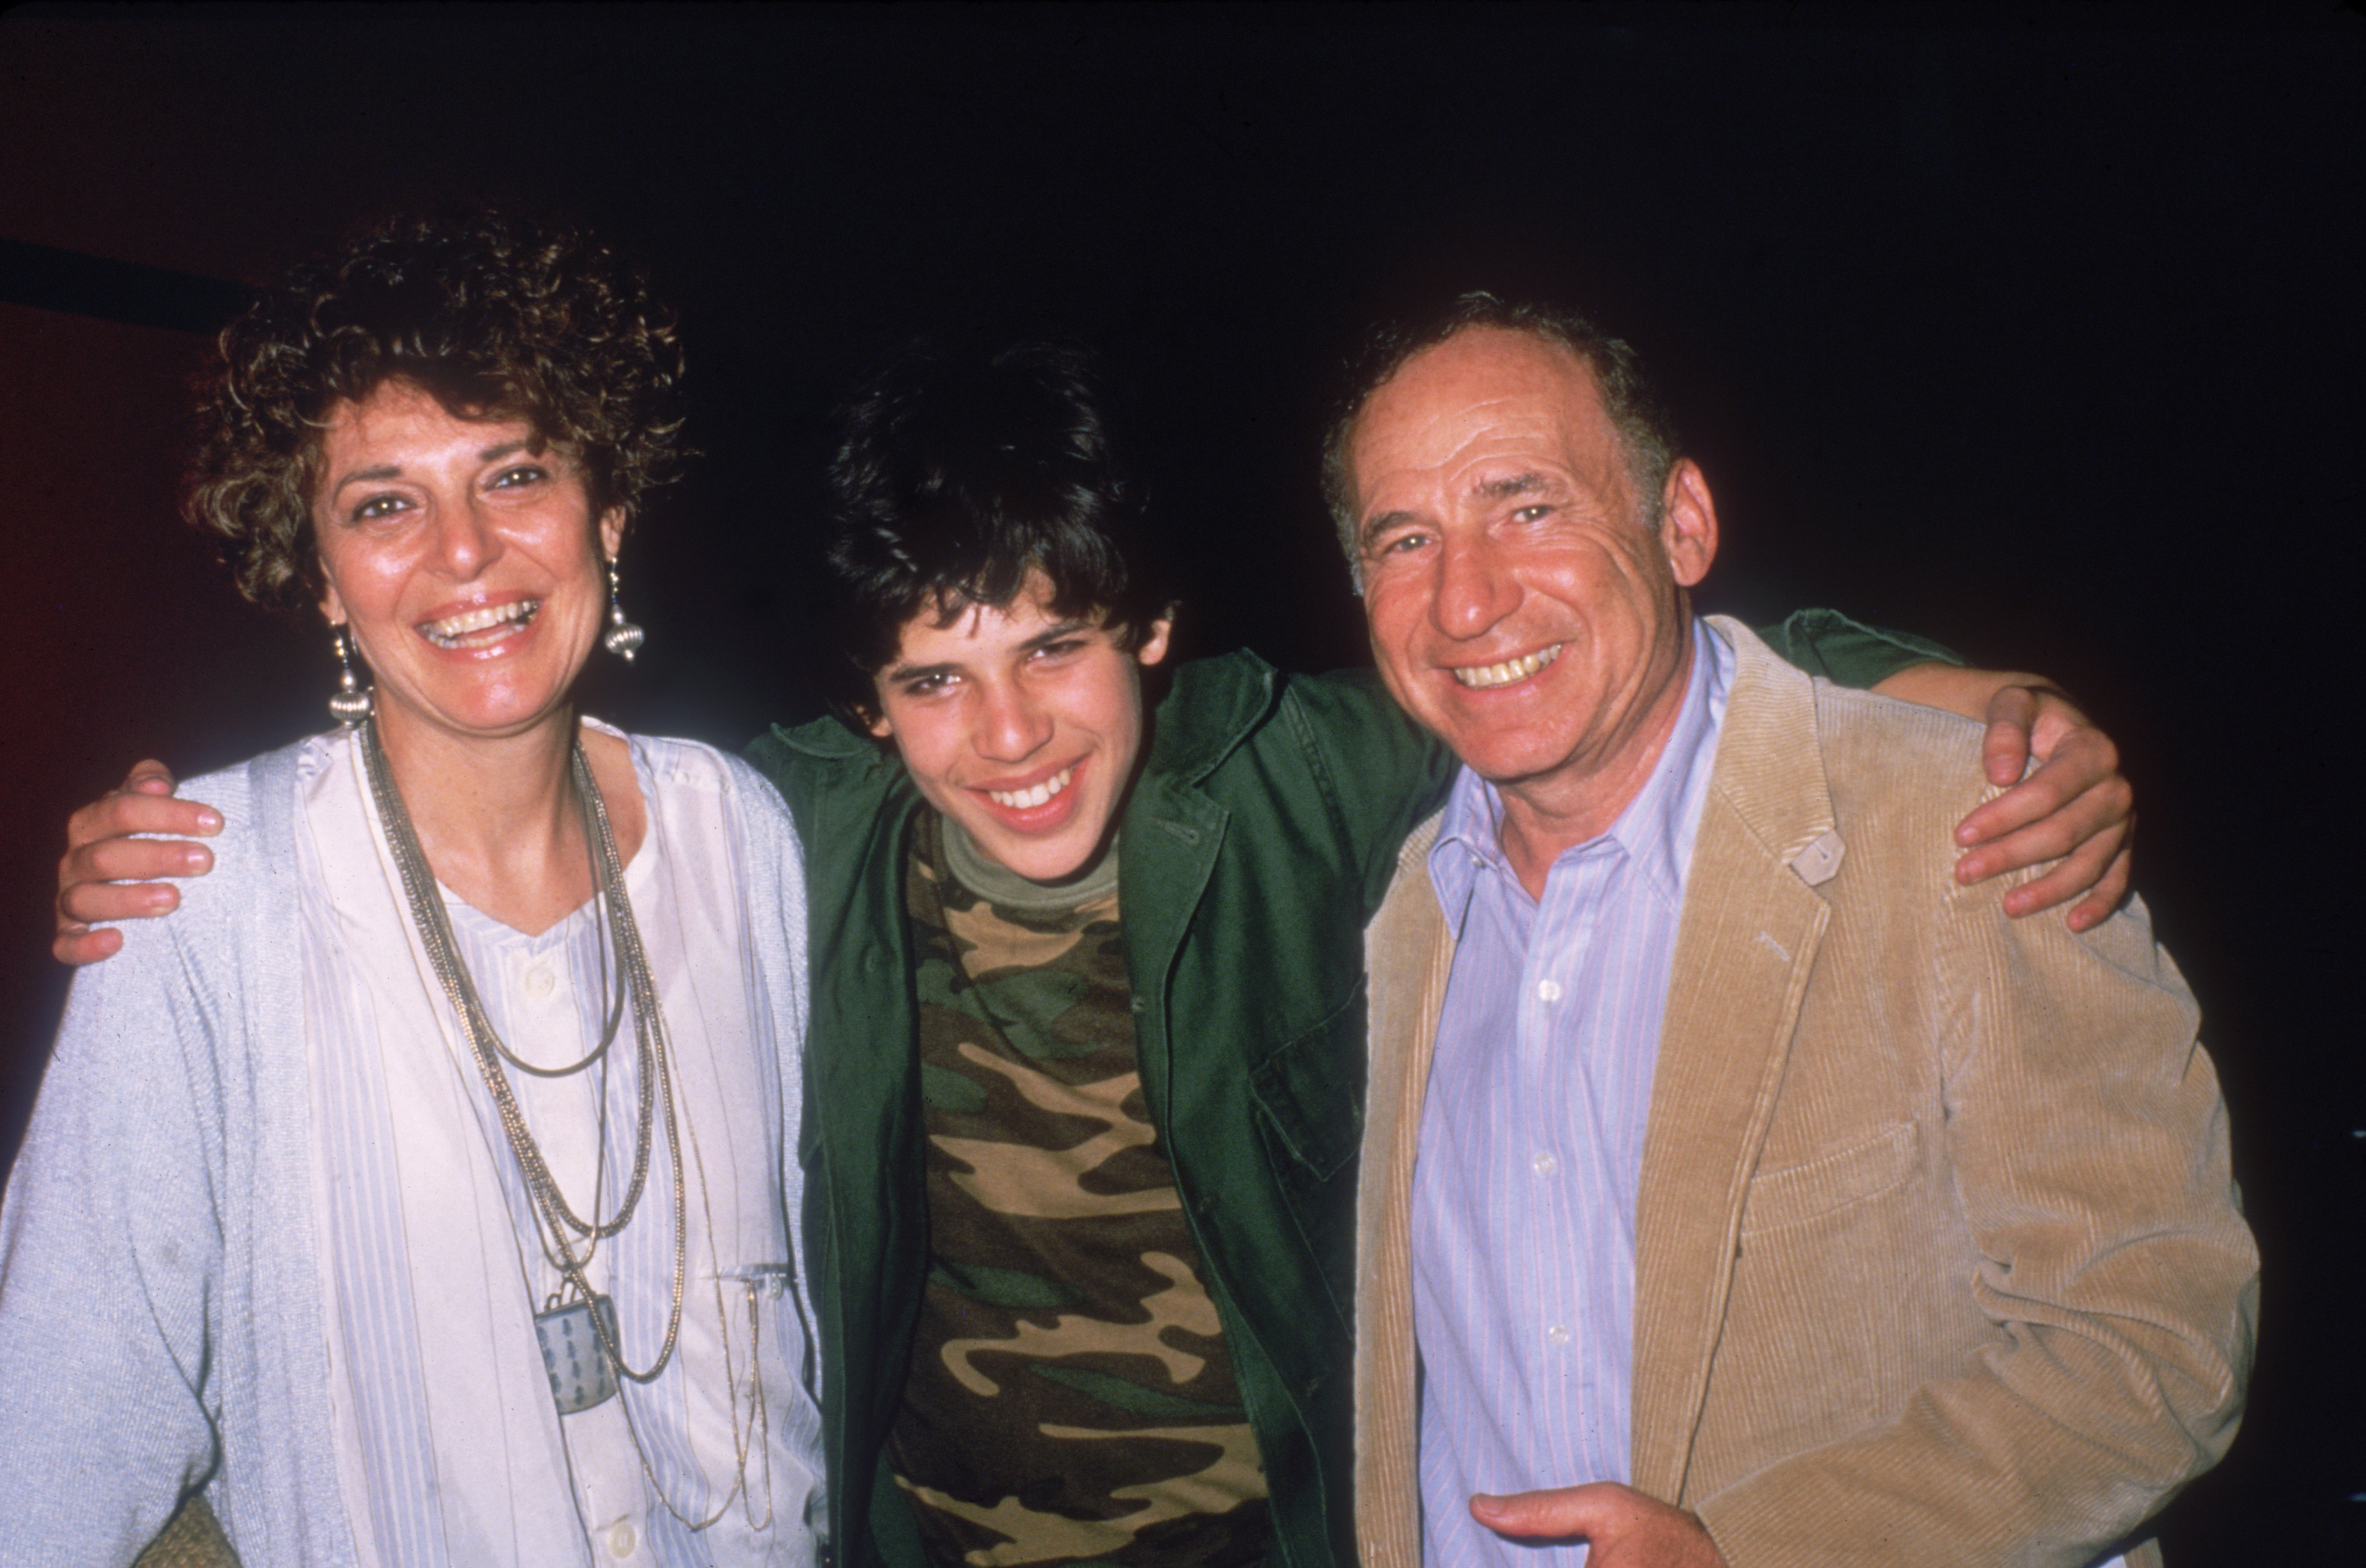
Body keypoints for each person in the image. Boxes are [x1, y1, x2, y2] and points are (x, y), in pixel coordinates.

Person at [54, 340, 2138, 1568]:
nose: (1014, 730)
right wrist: (189, 854)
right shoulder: (799, 826)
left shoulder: (1299, 773)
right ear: (867, 703)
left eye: (1057, 644)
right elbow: (538, 771)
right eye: (937, 678)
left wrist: (1942, 687)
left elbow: (1589, 663)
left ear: (1148, 626)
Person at [1334, 296, 2256, 1568]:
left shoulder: (1962, 828)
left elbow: (2156, 1336)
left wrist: (1750, 1551)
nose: (1465, 599)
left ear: (1682, 523)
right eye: (1403, 540)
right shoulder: (1389, 913)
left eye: (1526, 505)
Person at [0, 211, 825, 1567]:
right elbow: (68, 1420)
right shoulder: (203, 895)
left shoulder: (741, 833)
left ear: (607, 513)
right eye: (384, 503)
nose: (463, 553)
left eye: (514, 477)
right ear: (320, 574)